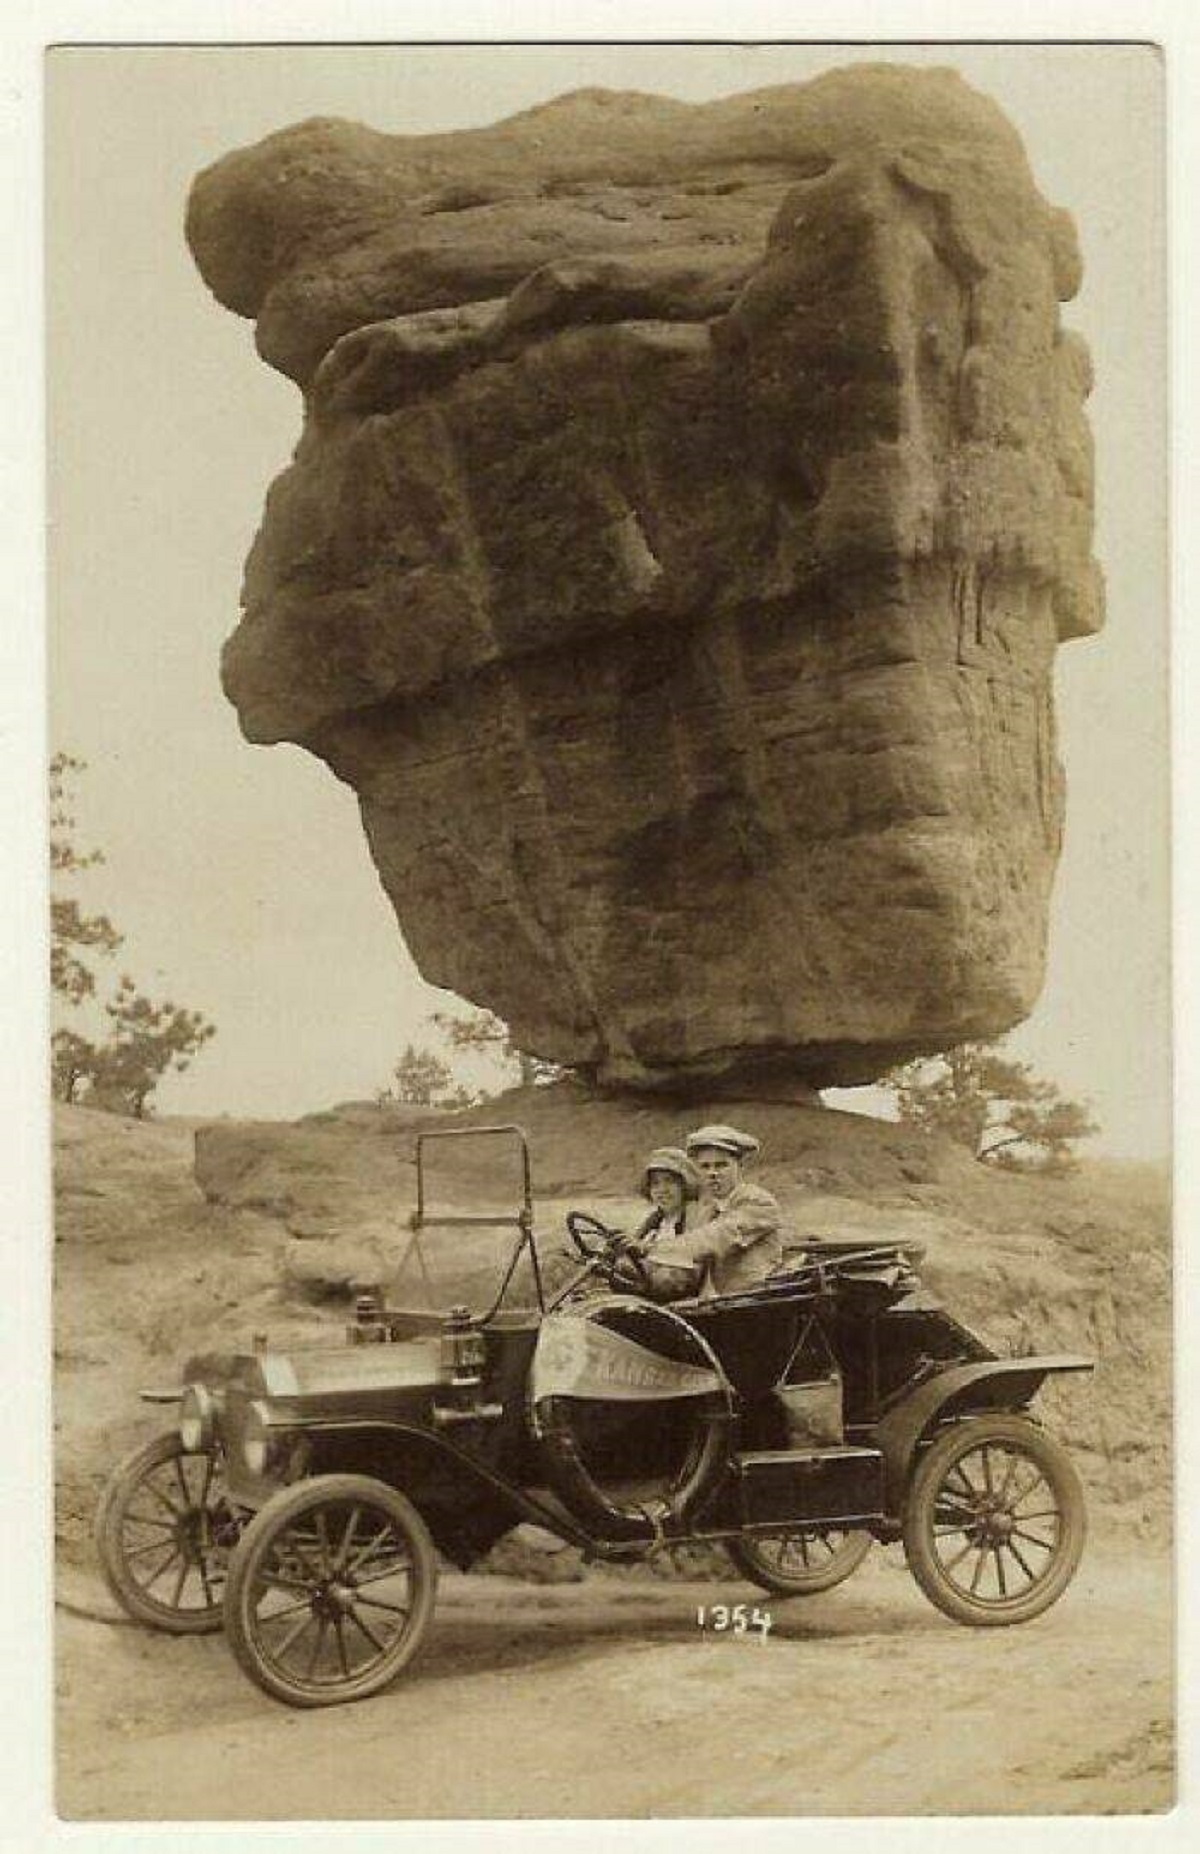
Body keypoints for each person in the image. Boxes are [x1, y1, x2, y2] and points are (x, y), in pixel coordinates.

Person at [679, 1123, 784, 1296]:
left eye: (721, 1165)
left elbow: (718, 1238)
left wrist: (655, 1249)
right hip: (727, 1303)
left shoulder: (758, 1202)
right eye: (705, 1167)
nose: (712, 1173)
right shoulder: (707, 1210)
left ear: (741, 1166)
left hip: (760, 1302)